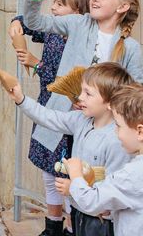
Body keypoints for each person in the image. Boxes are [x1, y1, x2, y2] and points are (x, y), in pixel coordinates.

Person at [22, 0, 143, 160]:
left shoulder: (131, 48)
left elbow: (135, 91)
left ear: (122, 7)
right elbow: (36, 23)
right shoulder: (78, 23)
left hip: (103, 124)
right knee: (53, 176)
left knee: (86, 174)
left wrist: (110, 106)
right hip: (64, 114)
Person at [7, 63, 134, 235]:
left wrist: (73, 189)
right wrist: (21, 100)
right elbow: (48, 117)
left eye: (88, 93)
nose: (80, 97)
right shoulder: (80, 120)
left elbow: (110, 192)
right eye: (82, 91)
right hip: (78, 211)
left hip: (100, 222)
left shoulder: (117, 141)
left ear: (110, 102)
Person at [9, 0, 92, 236]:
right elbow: (31, 22)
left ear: (78, 12)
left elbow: (70, 79)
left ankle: (69, 225)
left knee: (66, 170)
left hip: (70, 112)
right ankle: (52, 224)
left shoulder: (84, 40)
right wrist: (16, 21)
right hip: (47, 105)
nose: (53, 8)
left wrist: (37, 65)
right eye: (53, 2)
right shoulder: (53, 32)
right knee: (49, 168)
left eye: (60, 4)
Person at [65, 83, 143, 236]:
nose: (115, 131)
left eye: (119, 126)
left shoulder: (132, 175)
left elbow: (91, 201)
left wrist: (75, 176)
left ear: (140, 131)